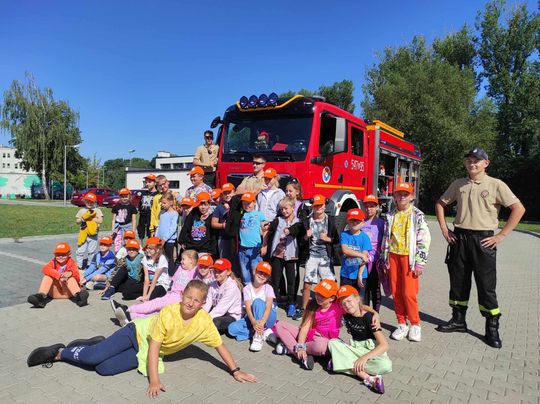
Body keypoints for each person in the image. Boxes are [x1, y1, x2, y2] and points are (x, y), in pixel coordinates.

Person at [27, 280, 256, 399]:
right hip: (135, 333)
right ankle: (60, 353)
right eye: (188, 297)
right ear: (182, 296)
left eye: (196, 301)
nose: (190, 303)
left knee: (103, 369)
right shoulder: (169, 313)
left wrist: (235, 371)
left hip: (144, 349)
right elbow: (155, 346)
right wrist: (153, 380)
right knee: (92, 358)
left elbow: (219, 346)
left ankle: (96, 343)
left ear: (203, 304)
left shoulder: (204, 322)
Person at [434, 147, 525, 348]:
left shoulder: (496, 184)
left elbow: (518, 208)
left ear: (486, 163)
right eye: (469, 160)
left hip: (483, 240)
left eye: (476, 160)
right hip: (459, 238)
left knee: (486, 285)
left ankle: (491, 328)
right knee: (458, 281)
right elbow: (440, 204)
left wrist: (501, 235)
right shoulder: (459, 184)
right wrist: (445, 230)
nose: (472, 163)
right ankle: (458, 320)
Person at [380, 182, 431, 342]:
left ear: (411, 196)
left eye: (406, 194)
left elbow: (424, 239)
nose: (402, 197)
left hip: (409, 258)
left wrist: (420, 262)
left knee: (409, 293)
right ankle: (402, 323)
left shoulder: (418, 215)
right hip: (393, 256)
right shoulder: (390, 215)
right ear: (394, 196)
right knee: (396, 292)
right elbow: (386, 238)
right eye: (399, 194)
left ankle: (415, 324)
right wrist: (385, 258)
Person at [328, 285, 391, 395]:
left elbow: (384, 345)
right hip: (355, 348)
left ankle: (340, 363)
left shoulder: (369, 318)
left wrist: (364, 358)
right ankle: (369, 378)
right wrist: (375, 312)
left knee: (386, 365)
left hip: (371, 350)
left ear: (357, 299)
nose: (347, 305)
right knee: (332, 343)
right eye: (343, 303)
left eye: (349, 301)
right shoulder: (346, 313)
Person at [114, 250, 201, 325]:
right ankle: (130, 315)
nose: (181, 261)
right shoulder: (181, 268)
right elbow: (173, 280)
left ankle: (128, 311)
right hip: (171, 294)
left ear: (191, 260)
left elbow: (201, 274)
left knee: (156, 306)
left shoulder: (195, 271)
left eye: (183, 259)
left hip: (179, 298)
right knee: (156, 308)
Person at [273, 279, 340, 370]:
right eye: (317, 293)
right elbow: (304, 328)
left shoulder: (338, 306)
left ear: (332, 298)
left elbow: (355, 305)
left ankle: (291, 349)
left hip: (323, 342)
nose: (318, 297)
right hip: (309, 337)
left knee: (322, 345)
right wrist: (300, 346)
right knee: (280, 325)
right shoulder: (313, 304)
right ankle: (301, 355)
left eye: (323, 295)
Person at [295, 195, 339, 321]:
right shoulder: (307, 221)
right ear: (312, 207)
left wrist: (327, 239)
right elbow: (301, 241)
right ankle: (304, 309)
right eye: (316, 206)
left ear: (325, 206)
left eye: (321, 205)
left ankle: (333, 310)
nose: (318, 207)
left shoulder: (330, 221)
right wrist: (306, 237)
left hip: (325, 256)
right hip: (312, 256)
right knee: (307, 283)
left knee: (330, 284)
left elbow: (336, 240)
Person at [262, 197, 304, 317]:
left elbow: (298, 231)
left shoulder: (298, 222)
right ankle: (274, 300)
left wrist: (289, 231)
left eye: (286, 208)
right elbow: (269, 230)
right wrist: (266, 230)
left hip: (292, 256)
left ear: (293, 208)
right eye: (282, 209)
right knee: (275, 279)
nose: (284, 211)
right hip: (277, 254)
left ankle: (291, 303)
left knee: (291, 281)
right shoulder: (278, 220)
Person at [228, 261, 277, 352]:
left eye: (265, 274)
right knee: (231, 329)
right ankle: (263, 332)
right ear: (254, 271)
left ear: (268, 277)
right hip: (252, 318)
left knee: (257, 302)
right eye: (260, 272)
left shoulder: (268, 288)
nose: (262, 275)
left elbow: (269, 307)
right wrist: (254, 322)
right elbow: (248, 308)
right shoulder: (247, 288)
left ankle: (258, 336)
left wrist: (262, 322)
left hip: (268, 317)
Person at [27, 242, 89, 308]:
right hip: (54, 293)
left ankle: (79, 297)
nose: (60, 257)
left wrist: (68, 274)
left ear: (69, 254)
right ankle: (41, 297)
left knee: (71, 278)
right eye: (58, 255)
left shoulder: (71, 262)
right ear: (54, 255)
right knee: (47, 276)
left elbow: (75, 274)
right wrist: (59, 276)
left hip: (69, 293)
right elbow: (45, 269)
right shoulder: (53, 262)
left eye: (63, 255)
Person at [361, 195, 387, 312]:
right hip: (363, 261)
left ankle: (376, 313)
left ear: (377, 207)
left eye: (372, 206)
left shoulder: (381, 224)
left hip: (376, 262)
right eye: (366, 206)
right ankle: (366, 313)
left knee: (375, 289)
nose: (369, 209)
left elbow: (385, 242)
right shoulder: (361, 223)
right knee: (365, 288)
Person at [235, 192, 267, 284]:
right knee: (245, 274)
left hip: (255, 249)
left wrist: (264, 245)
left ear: (254, 202)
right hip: (242, 249)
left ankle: (258, 289)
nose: (246, 205)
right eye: (244, 203)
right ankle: (248, 290)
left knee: (256, 272)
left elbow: (265, 230)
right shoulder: (240, 215)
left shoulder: (259, 214)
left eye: (249, 203)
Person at [340, 208, 372, 297]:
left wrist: (360, 275)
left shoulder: (365, 237)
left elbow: (364, 259)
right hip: (346, 274)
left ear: (363, 223)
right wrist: (360, 255)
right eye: (352, 220)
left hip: (360, 274)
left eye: (357, 221)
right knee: (344, 298)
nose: (354, 223)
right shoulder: (344, 234)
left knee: (359, 300)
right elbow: (345, 250)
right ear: (347, 222)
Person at [205, 258, 243, 334]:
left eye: (220, 271)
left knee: (216, 322)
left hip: (231, 316)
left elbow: (221, 309)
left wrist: (205, 319)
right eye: (215, 271)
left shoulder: (231, 287)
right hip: (219, 313)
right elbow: (207, 303)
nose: (216, 274)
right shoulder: (213, 284)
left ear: (228, 272)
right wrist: (201, 315)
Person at [178, 192, 217, 257]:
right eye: (201, 205)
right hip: (191, 247)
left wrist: (212, 249)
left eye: (205, 205)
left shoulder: (211, 216)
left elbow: (213, 234)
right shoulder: (193, 213)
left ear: (209, 204)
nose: (203, 207)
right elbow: (186, 227)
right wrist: (182, 241)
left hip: (204, 249)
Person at [75, 192, 103, 269]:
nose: (89, 203)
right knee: (80, 251)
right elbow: (77, 222)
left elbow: (100, 221)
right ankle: (79, 266)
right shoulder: (82, 210)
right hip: (83, 234)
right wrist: (82, 218)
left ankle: (90, 265)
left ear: (95, 202)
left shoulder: (97, 210)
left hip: (93, 235)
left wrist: (90, 218)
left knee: (91, 251)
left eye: (91, 202)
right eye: (87, 201)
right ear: (84, 201)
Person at [155, 191, 179, 277]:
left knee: (169, 258)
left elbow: (172, 229)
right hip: (160, 240)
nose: (162, 205)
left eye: (164, 203)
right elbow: (159, 226)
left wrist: (165, 239)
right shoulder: (162, 213)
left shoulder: (174, 214)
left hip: (169, 241)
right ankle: (162, 274)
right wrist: (156, 237)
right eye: (162, 203)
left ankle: (171, 275)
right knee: (161, 257)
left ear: (171, 202)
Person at [212, 182, 237, 264]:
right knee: (224, 261)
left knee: (236, 262)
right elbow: (213, 223)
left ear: (234, 192)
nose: (227, 195)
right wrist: (223, 225)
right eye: (225, 193)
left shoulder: (239, 205)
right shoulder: (219, 207)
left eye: (229, 192)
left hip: (237, 238)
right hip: (224, 237)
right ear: (222, 195)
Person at [139, 237, 171, 301]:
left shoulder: (162, 258)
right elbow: (146, 278)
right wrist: (144, 295)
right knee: (128, 291)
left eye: (150, 248)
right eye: (147, 248)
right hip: (150, 284)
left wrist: (148, 296)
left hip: (161, 285)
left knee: (152, 296)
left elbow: (155, 278)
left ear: (158, 250)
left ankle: (158, 296)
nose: (147, 250)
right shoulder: (145, 258)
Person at [111, 188, 138, 252]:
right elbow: (113, 219)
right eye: (122, 197)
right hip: (118, 227)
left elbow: (134, 220)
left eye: (126, 196)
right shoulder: (116, 206)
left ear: (129, 197)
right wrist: (113, 230)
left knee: (127, 242)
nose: (124, 198)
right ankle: (117, 254)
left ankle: (127, 254)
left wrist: (133, 231)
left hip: (127, 226)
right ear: (120, 197)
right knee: (117, 241)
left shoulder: (132, 207)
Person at [137, 174, 158, 240]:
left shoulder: (158, 194)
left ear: (155, 183)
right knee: (141, 235)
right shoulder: (144, 193)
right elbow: (140, 205)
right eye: (146, 182)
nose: (147, 184)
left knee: (151, 236)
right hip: (142, 218)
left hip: (151, 218)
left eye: (149, 182)